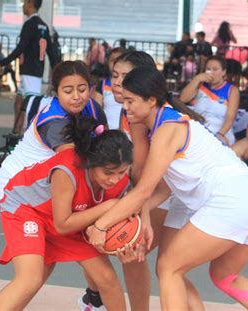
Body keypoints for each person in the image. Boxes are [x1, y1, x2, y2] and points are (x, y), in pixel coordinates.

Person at [87, 66, 248, 310]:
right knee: (225, 277)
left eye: (132, 101)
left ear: (152, 100)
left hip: (231, 201)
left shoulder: (167, 129)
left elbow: (143, 190)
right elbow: (163, 190)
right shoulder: (170, 124)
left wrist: (101, 226)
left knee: (169, 267)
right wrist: (141, 213)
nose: (126, 107)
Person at [0, 116, 131, 311]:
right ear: (91, 162)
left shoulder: (121, 184)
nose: (115, 179)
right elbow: (63, 224)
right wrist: (108, 208)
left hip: (71, 216)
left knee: (107, 279)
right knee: (30, 279)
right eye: (108, 172)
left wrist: (130, 242)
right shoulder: (67, 170)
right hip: (27, 208)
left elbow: (126, 217)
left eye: (121, 173)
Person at [78, 51, 168, 311]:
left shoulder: (139, 115)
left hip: (170, 192)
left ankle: (97, 299)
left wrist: (142, 217)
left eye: (125, 77)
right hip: (157, 190)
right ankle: (94, 297)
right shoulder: (125, 111)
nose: (117, 82)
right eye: (114, 75)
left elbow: (140, 172)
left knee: (135, 251)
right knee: (162, 264)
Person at [0, 60, 106, 213]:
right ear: (56, 93)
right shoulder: (55, 122)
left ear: (90, 88)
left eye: (82, 89)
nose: (76, 97)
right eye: (68, 91)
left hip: (43, 185)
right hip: (15, 186)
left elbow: (107, 147)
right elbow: (73, 164)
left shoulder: (92, 107)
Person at [0, 0, 58, 135]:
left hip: (29, 71)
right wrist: (57, 71)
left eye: (24, 3)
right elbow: (51, 53)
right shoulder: (44, 26)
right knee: (18, 103)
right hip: (35, 70)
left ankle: (32, 138)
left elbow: (20, 48)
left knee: (31, 106)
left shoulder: (29, 24)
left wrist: (2, 63)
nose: (22, 5)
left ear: (30, 3)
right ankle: (16, 134)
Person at [179, 55, 239, 145]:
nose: (211, 72)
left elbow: (230, 118)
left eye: (215, 69)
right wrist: (197, 79)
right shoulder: (200, 85)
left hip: (221, 132)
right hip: (199, 129)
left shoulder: (231, 90)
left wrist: (219, 134)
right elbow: (183, 99)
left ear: (223, 72)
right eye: (208, 69)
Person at [92, 47, 126, 129]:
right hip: (108, 132)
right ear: (108, 63)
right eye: (112, 60)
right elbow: (97, 111)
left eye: (119, 59)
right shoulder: (102, 85)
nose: (115, 63)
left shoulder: (133, 84)